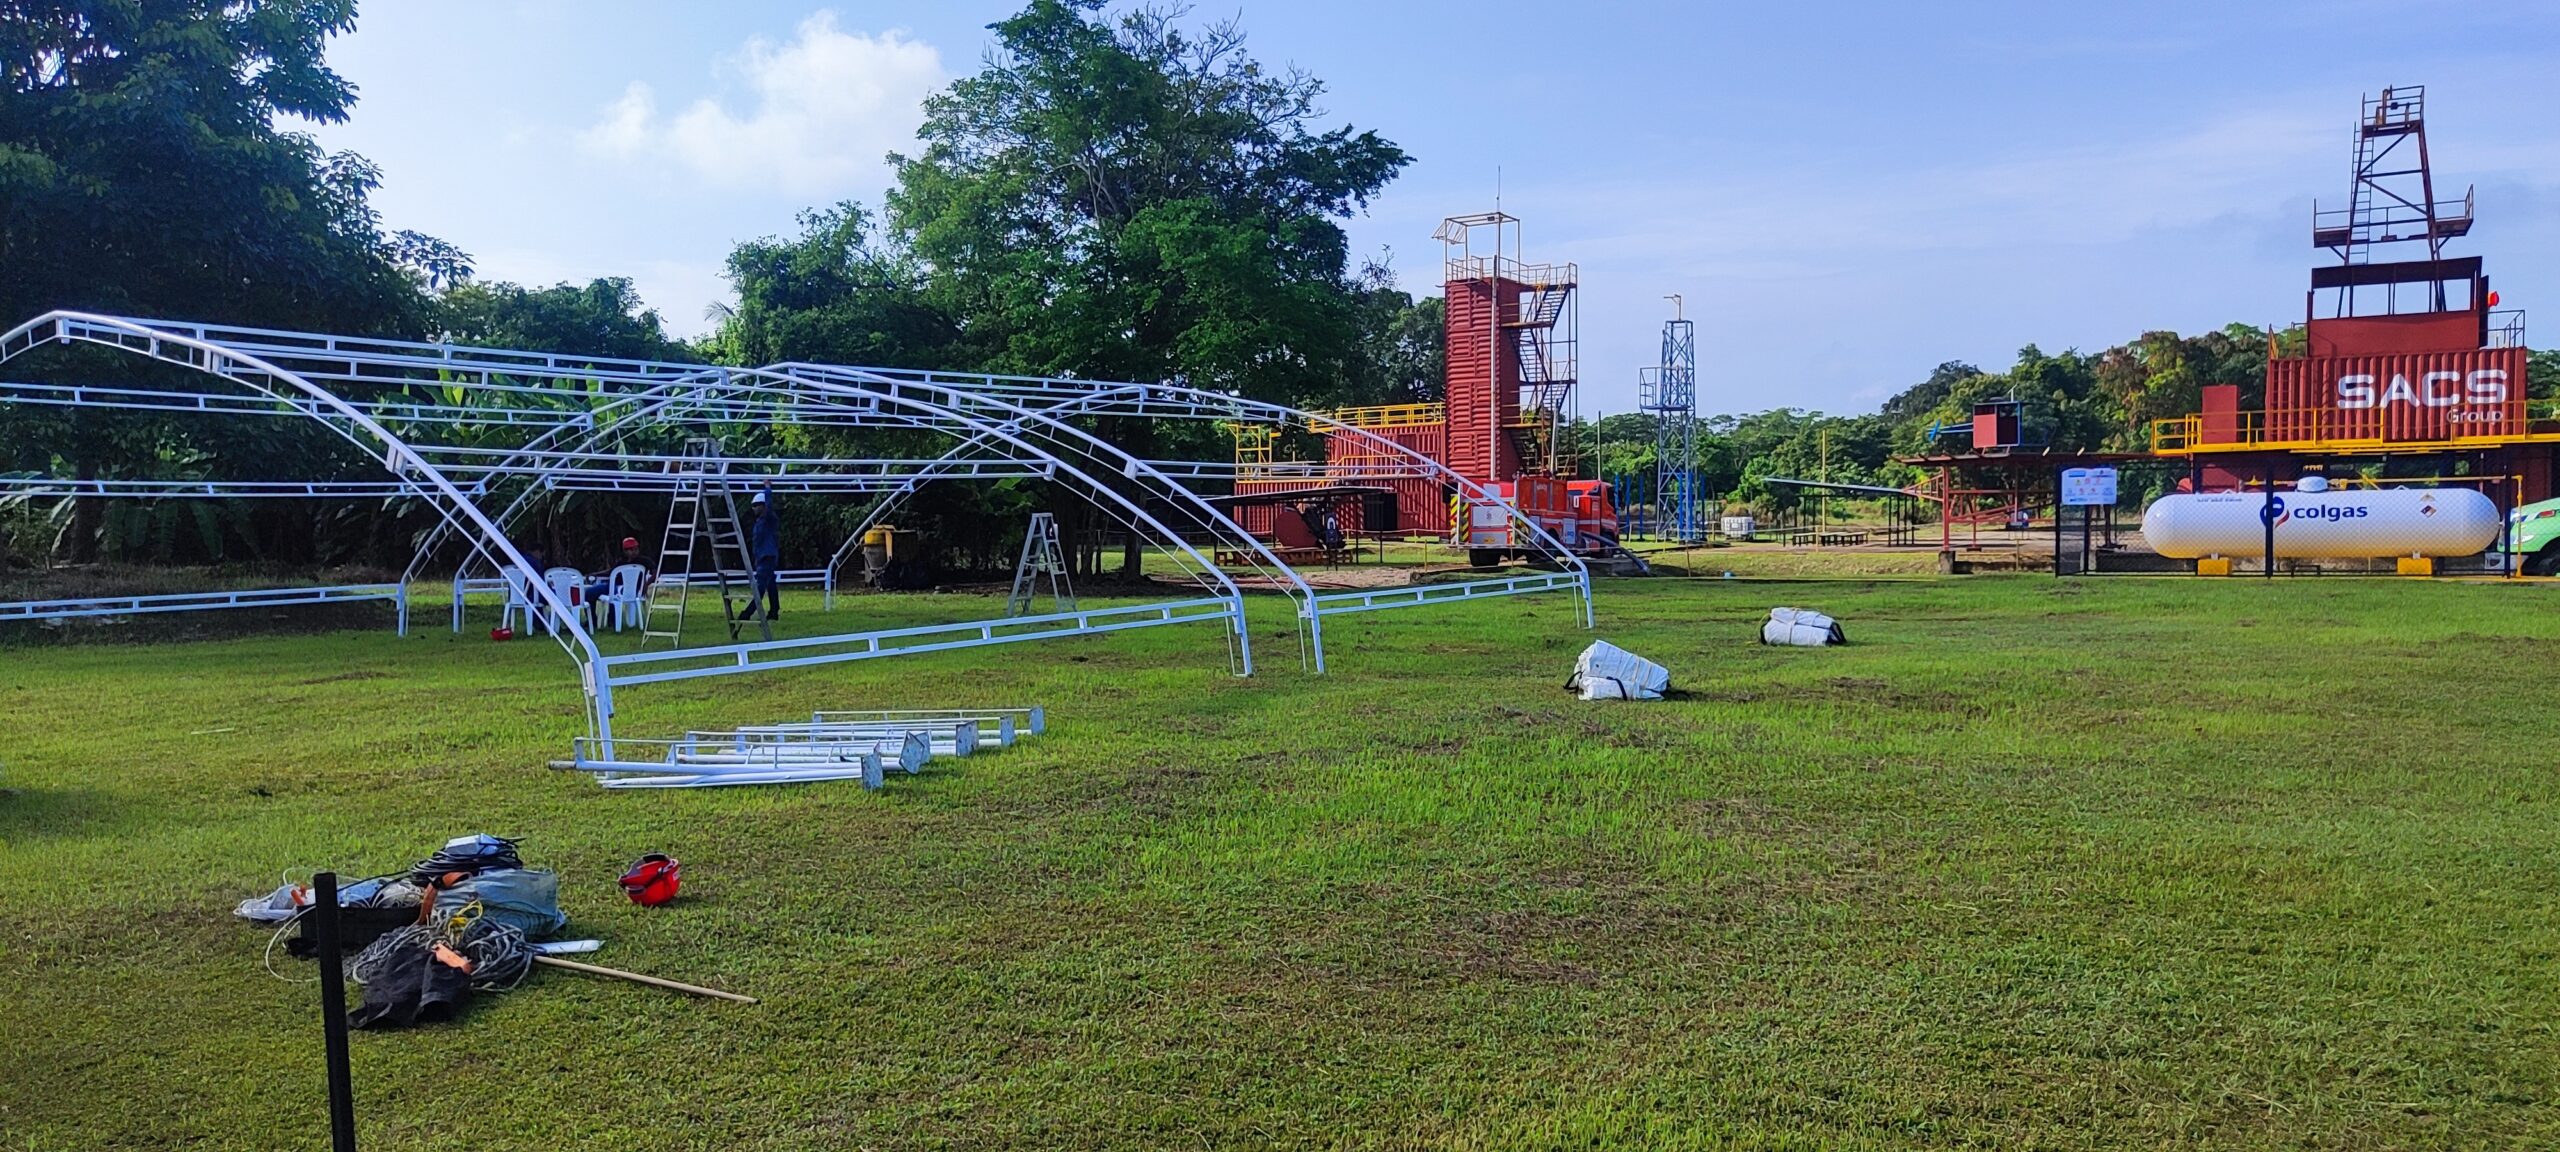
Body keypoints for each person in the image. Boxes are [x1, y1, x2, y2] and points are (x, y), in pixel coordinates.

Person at [739, 487, 781, 622]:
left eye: (756, 505)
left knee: (760, 587)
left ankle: (748, 613)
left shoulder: (769, 519)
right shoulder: (760, 522)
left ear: (763, 506)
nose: (754, 508)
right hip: (763, 557)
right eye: (753, 506)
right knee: (770, 584)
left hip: (767, 557)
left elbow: (769, 507)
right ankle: (774, 611)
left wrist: (768, 489)